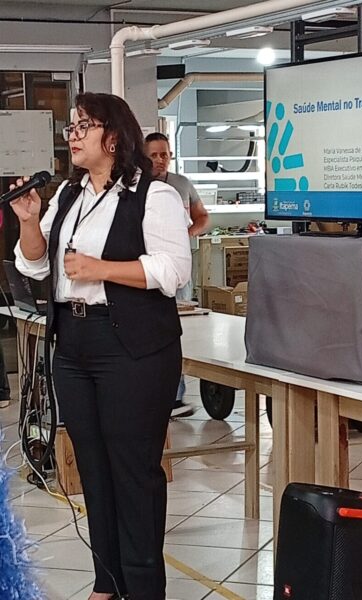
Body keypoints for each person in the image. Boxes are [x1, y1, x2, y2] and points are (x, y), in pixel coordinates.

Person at [11, 92, 191, 600]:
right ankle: (107, 582)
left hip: (131, 347)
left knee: (133, 473)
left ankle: (144, 587)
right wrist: (29, 221)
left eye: (83, 126)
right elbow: (34, 264)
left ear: (113, 136)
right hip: (74, 344)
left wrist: (101, 269)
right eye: (70, 126)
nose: (72, 135)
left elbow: (173, 270)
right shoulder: (69, 196)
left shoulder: (153, 195)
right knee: (93, 469)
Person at [144, 132, 210, 418]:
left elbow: (202, 216)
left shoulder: (182, 184)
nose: (160, 160)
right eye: (154, 155)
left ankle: (175, 396)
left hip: (179, 273)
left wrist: (187, 234)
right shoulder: (137, 187)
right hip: (148, 271)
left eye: (165, 154)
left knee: (176, 330)